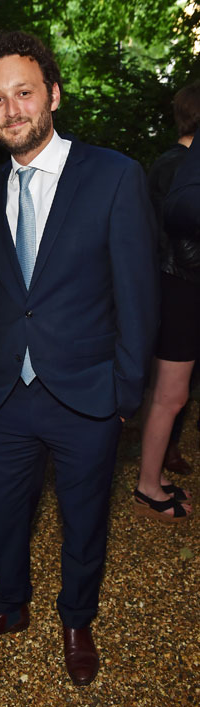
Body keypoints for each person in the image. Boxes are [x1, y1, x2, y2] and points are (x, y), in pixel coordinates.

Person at [0, 31, 159, 687]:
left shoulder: (115, 175)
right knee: (4, 515)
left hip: (89, 393)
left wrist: (125, 394)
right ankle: (9, 606)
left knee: (85, 517)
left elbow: (139, 295)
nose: (12, 110)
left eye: (23, 93)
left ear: (53, 95)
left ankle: (77, 617)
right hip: (8, 393)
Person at [135, 82, 200, 523]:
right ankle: (147, 486)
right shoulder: (179, 166)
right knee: (170, 397)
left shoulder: (169, 162)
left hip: (173, 287)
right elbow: (177, 237)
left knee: (166, 395)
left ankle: (150, 478)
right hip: (180, 288)